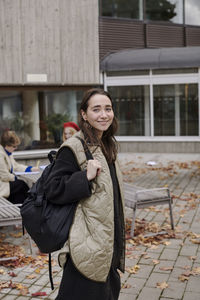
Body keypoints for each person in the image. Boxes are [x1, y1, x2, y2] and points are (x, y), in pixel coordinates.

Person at [44, 88, 125, 300]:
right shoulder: (73, 147)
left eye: (108, 108)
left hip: (107, 243)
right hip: (86, 246)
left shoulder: (107, 144)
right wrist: (84, 177)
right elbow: (52, 189)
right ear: (84, 114)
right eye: (96, 109)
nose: (103, 114)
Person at [0, 130, 39, 204]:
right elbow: (4, 176)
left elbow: (15, 166)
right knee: (21, 185)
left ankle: (26, 207)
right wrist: (15, 177)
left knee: (20, 195)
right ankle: (32, 204)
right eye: (14, 146)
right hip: (2, 185)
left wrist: (29, 169)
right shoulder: (1, 154)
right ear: (7, 145)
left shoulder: (7, 152)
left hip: (6, 183)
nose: (15, 148)